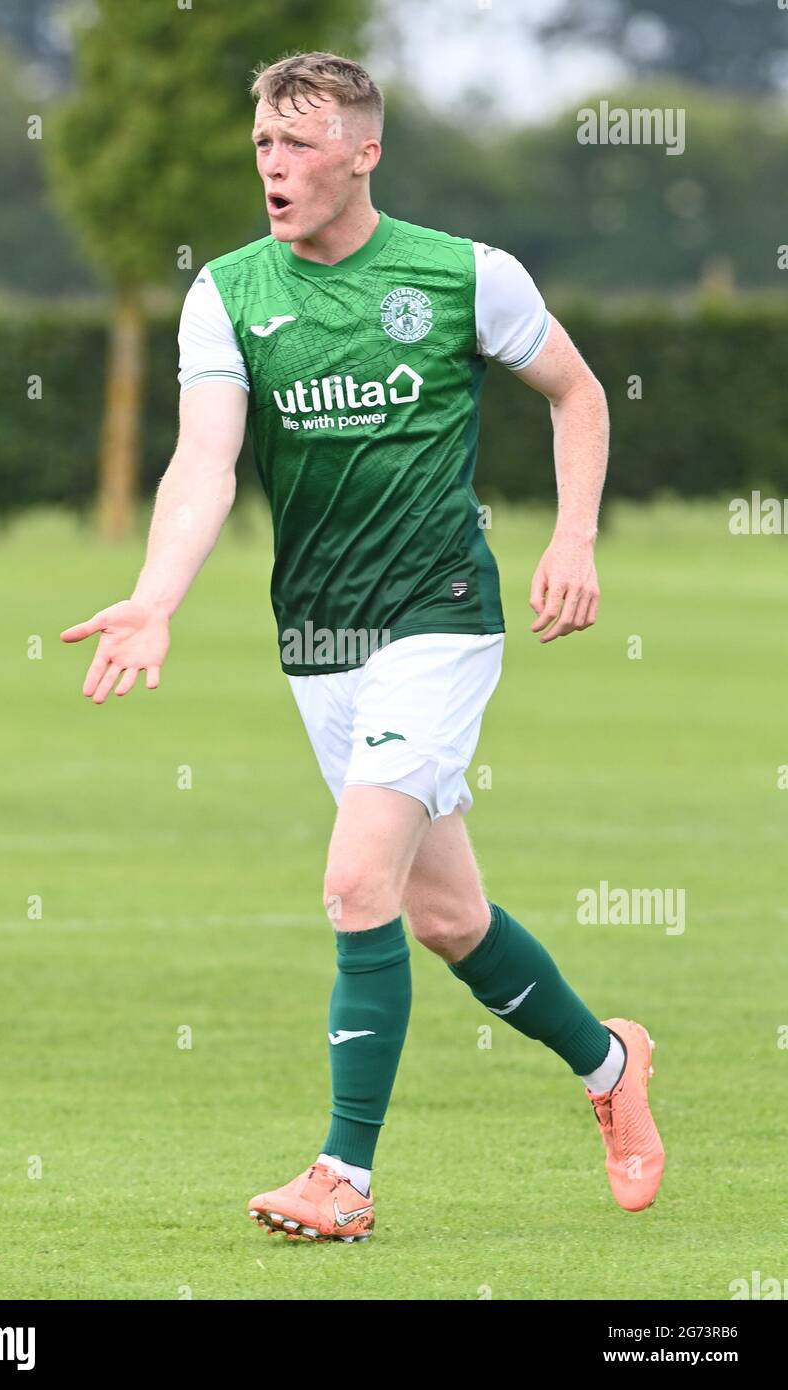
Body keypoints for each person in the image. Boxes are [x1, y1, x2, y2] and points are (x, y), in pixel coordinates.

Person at [62, 51, 664, 1244]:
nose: (273, 168)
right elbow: (202, 460)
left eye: (297, 145)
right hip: (318, 639)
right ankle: (610, 1066)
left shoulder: (462, 276)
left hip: (439, 618)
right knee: (445, 918)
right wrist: (156, 595)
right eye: (262, 148)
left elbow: (578, 392)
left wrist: (576, 540)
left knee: (352, 883)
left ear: (362, 151)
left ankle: (345, 1179)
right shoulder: (227, 293)